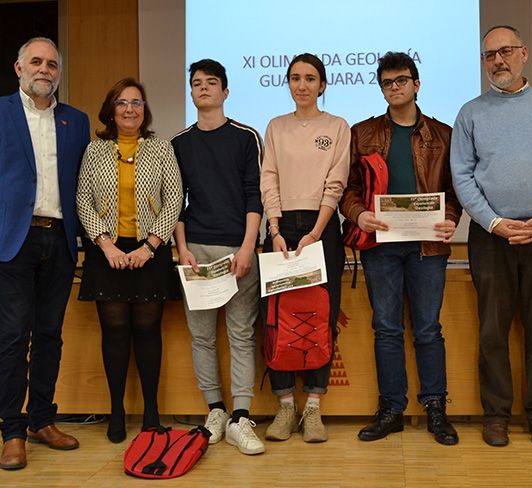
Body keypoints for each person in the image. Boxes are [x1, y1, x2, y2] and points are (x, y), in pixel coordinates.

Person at [0, 37, 90, 470]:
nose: (44, 69)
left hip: (60, 240)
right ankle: (12, 431)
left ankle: (42, 420)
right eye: (36, 61)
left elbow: (81, 185)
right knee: (13, 336)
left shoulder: (76, 121)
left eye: (52, 64)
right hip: (13, 243)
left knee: (50, 334)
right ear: (19, 68)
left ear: (59, 72)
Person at [450, 25, 532, 448]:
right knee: (492, 329)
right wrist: (493, 222)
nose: (497, 61)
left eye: (505, 51)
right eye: (489, 55)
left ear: (524, 53)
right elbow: (462, 176)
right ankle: (496, 415)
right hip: (490, 237)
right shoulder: (470, 113)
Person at [340, 52, 461, 445]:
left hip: (428, 246)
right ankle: (391, 408)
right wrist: (358, 215)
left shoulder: (443, 135)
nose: (395, 88)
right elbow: (349, 191)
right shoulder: (363, 133)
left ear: (417, 84)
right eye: (387, 82)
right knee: (386, 329)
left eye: (401, 80)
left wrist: (453, 219)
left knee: (428, 329)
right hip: (381, 245)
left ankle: (436, 408)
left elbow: (457, 192)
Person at [76, 78, 182, 444]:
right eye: (122, 102)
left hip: (149, 250)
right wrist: (106, 246)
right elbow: (82, 200)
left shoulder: (161, 148)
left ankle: (151, 412)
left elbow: (173, 200)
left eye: (136, 103)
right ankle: (117, 411)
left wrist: (149, 247)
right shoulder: (95, 150)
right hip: (107, 251)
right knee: (115, 332)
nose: (129, 109)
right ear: (111, 109)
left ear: (144, 110)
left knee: (149, 331)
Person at [172, 59, 265, 455]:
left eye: (212, 82)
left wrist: (248, 247)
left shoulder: (246, 137)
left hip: (238, 250)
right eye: (197, 83)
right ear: (191, 93)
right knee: (202, 336)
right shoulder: (178, 144)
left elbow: (253, 196)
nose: (204, 88)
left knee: (242, 334)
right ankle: (215, 410)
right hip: (195, 252)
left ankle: (241, 418)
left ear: (225, 92)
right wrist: (181, 249)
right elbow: (175, 203)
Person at [260, 53, 349, 443]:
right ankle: (284, 406)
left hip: (322, 229)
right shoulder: (276, 127)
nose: (302, 85)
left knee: (320, 316)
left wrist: (315, 232)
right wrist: (276, 229)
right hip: (280, 229)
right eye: (295, 78)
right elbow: (269, 178)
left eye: (310, 78)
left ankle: (312, 407)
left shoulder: (338, 126)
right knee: (276, 316)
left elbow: (336, 182)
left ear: (323, 84)